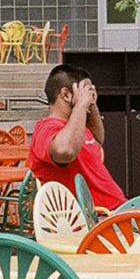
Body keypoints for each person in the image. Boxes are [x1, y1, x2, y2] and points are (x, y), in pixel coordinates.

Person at [28, 63, 126, 209]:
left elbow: (97, 141)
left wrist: (90, 105)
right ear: (66, 95)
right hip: (100, 219)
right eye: (86, 91)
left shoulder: (76, 128)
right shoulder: (47, 128)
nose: (90, 96)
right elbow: (64, 151)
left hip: (119, 211)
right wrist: (81, 104)